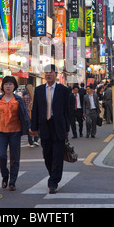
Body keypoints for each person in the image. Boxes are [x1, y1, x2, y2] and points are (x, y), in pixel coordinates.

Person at [30, 64, 70, 194]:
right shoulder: (39, 90)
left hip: (58, 126)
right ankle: (53, 175)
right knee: (47, 154)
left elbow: (67, 111)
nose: (48, 74)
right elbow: (35, 109)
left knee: (58, 155)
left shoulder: (63, 90)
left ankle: (53, 182)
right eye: (46, 72)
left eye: (51, 72)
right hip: (44, 125)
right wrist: (34, 127)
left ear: (56, 74)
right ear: (44, 74)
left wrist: (67, 128)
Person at [0, 76, 31, 191]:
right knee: (2, 156)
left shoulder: (18, 100)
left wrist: (30, 127)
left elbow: (25, 115)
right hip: (1, 132)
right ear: (3, 86)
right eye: (6, 84)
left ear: (14, 86)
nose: (8, 86)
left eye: (10, 84)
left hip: (15, 132)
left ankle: (12, 182)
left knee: (14, 158)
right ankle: (5, 176)